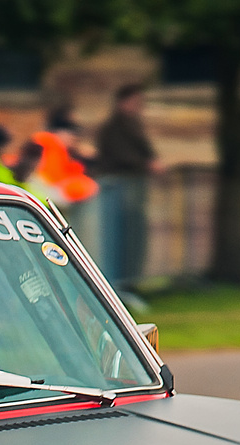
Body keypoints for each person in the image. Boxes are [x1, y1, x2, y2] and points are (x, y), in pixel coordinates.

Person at [94, 84, 159, 291]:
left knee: (135, 235)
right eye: (135, 102)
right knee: (123, 237)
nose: (138, 107)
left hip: (134, 188)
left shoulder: (133, 125)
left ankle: (132, 280)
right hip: (122, 188)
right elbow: (120, 155)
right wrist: (146, 164)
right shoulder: (113, 128)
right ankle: (122, 283)